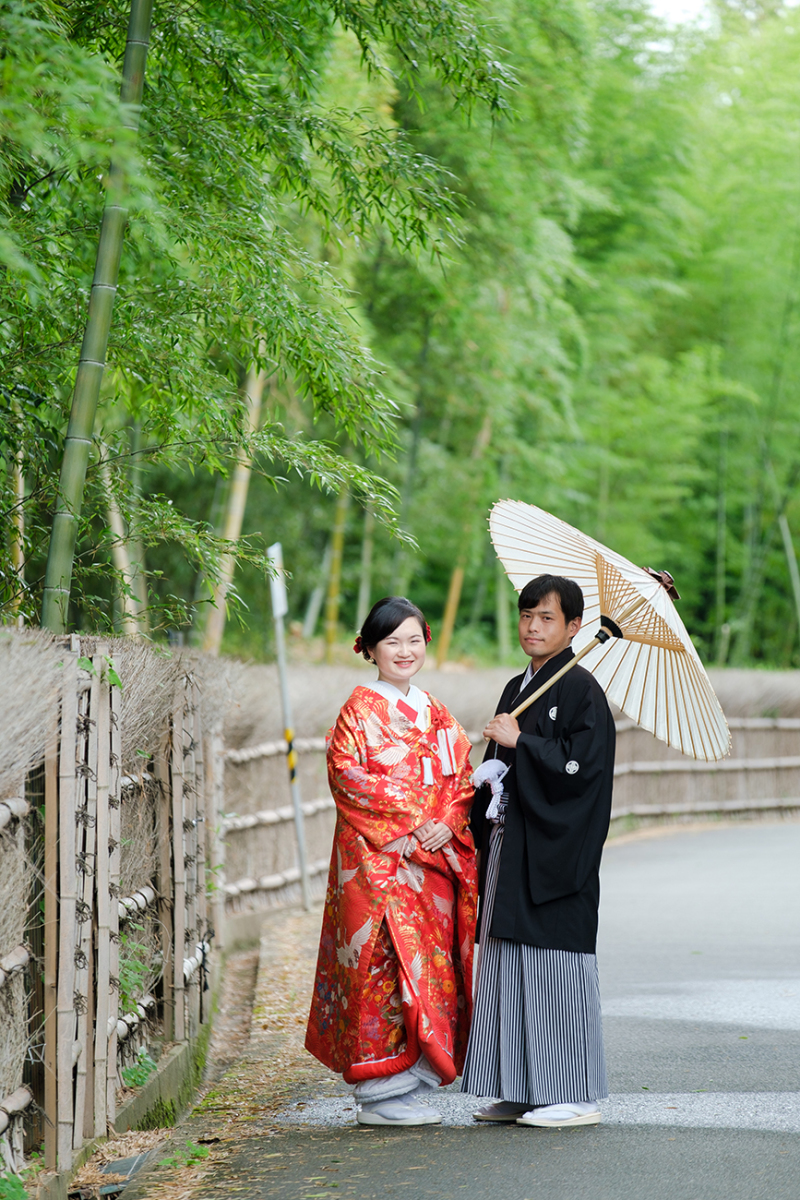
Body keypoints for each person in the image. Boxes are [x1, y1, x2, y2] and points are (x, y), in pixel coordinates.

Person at [306, 596, 478, 1127]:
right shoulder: (359, 709)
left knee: (432, 968)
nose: (404, 651)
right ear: (370, 649)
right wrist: (408, 824)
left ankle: (410, 1082)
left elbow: (461, 777)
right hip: (378, 864)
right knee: (378, 965)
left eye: (413, 640)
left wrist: (446, 820)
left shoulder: (436, 710)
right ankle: (379, 1094)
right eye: (391, 642)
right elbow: (348, 777)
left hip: (429, 862)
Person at [461, 574, 616, 1128]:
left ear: (575, 627)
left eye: (547, 618)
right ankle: (520, 1087)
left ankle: (574, 1094)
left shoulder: (582, 691)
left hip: (556, 855)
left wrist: (521, 742)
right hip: (511, 844)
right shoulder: (518, 686)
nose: (533, 626)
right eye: (527, 615)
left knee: (553, 969)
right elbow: (502, 765)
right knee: (506, 963)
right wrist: (491, 771)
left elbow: (583, 770)